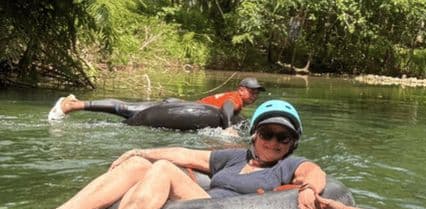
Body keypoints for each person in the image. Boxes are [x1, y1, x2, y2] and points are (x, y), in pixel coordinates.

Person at [1, 99, 325, 209]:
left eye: (284, 137)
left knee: (165, 169)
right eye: (268, 133)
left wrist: (309, 190)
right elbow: (185, 152)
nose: (275, 142)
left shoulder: (289, 165)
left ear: (292, 144)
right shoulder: (233, 157)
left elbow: (315, 173)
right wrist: (138, 150)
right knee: (144, 163)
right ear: (255, 135)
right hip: (199, 202)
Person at [47, 77, 266, 126]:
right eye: (252, 92)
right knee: (127, 109)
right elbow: (227, 110)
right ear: (241, 89)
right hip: (177, 109)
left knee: (127, 109)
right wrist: (228, 129)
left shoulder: (228, 94)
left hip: (176, 105)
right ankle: (72, 105)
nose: (254, 96)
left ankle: (77, 103)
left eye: (257, 93)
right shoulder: (234, 98)